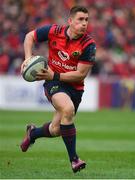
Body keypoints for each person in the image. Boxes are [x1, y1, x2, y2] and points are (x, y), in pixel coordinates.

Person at [20, 5, 96, 173]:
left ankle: (32, 134)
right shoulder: (54, 31)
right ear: (70, 21)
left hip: (73, 87)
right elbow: (29, 37)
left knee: (56, 129)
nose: (84, 23)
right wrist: (27, 58)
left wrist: (54, 75)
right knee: (67, 109)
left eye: (86, 20)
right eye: (80, 19)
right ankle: (74, 160)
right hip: (53, 83)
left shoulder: (89, 45)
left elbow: (80, 75)